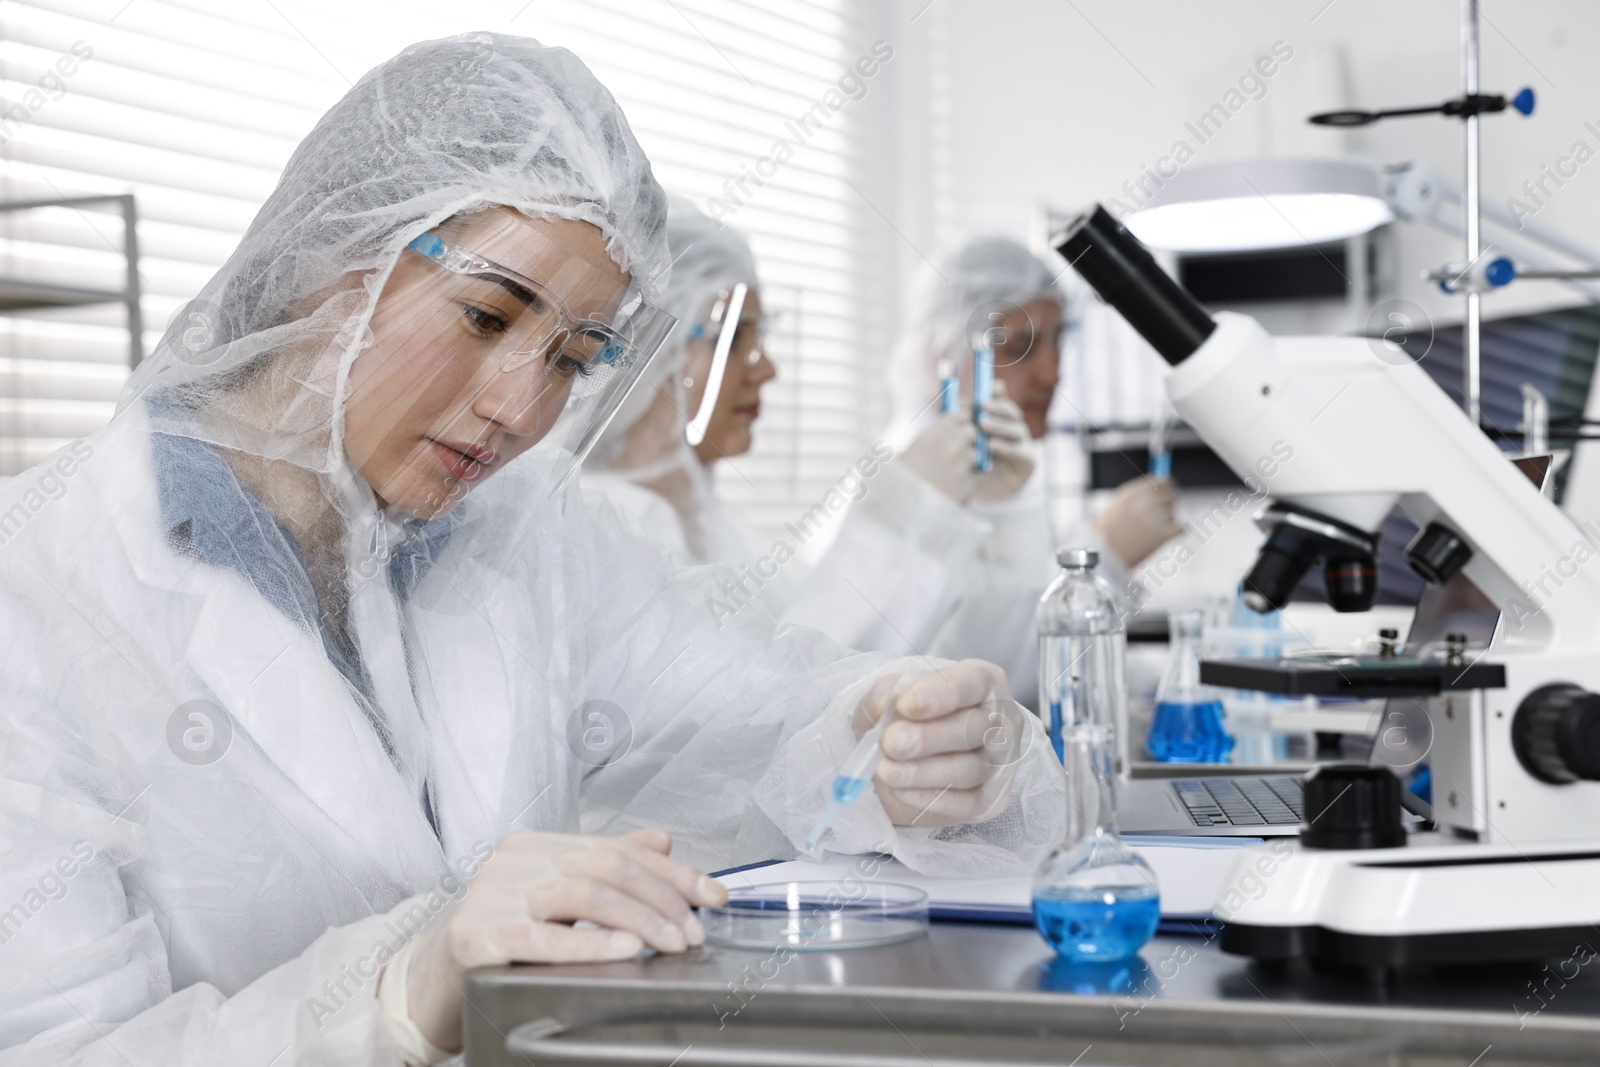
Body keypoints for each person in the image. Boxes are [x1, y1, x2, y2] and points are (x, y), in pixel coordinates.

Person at [0, 35, 1063, 1065]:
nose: (520, 407)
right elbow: (59, 1045)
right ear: (336, 259)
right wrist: (399, 993)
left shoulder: (520, 536)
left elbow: (745, 703)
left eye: (573, 354)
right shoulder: (41, 587)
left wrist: (881, 728)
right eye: (484, 315)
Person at [785, 237, 1183, 707]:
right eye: (1019, 347)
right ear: (941, 357)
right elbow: (979, 676)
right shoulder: (895, 496)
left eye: (1058, 340)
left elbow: (1033, 659)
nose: (1052, 373)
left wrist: (1167, 691)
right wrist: (1101, 560)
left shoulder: (1006, 480)